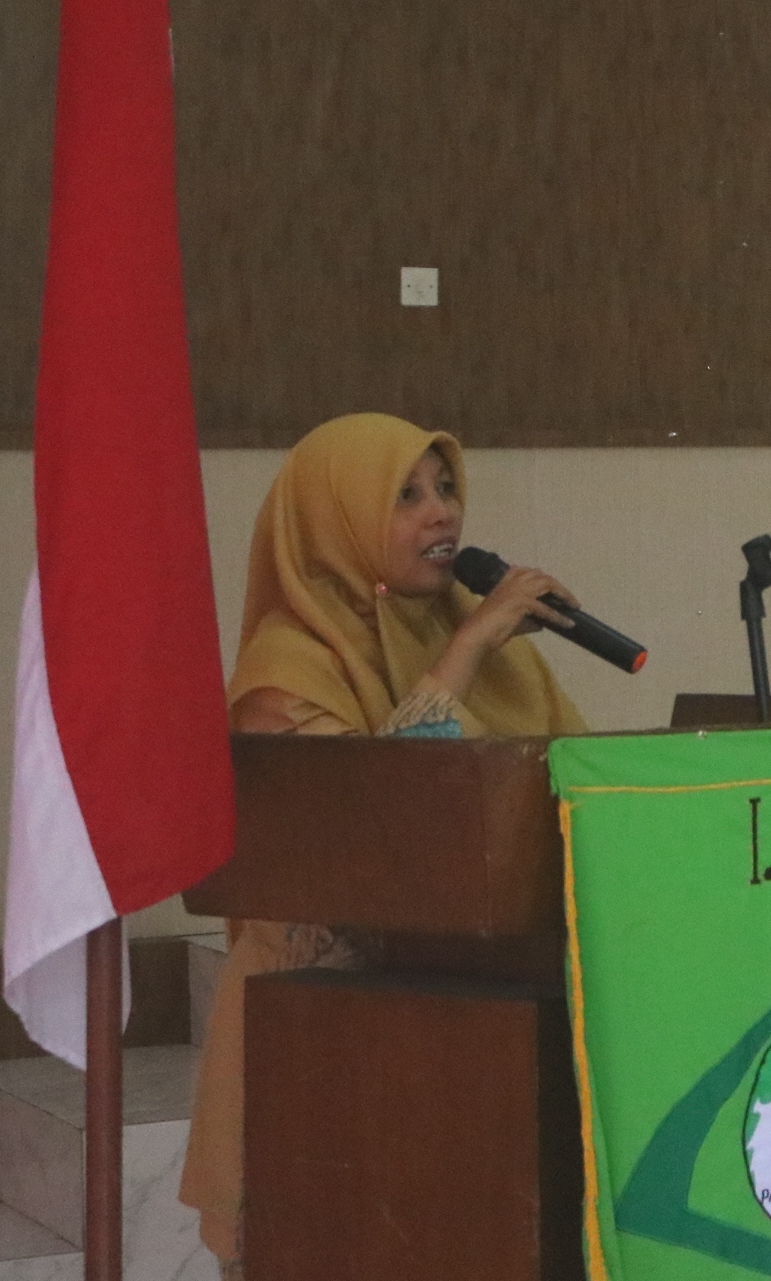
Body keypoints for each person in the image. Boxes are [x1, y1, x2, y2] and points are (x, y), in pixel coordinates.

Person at [178, 414, 590, 1274]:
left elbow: (580, 794)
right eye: (405, 495)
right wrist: (469, 647)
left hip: (480, 1038)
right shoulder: (285, 677)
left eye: (445, 488)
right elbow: (374, 838)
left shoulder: (491, 648)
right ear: (335, 520)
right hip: (325, 1047)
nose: (442, 513)